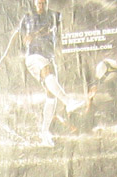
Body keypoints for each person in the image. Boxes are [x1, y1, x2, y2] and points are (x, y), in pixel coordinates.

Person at [8, 0, 85, 146]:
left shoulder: (54, 16)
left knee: (51, 94)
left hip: (48, 57)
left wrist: (35, 35)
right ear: (34, 3)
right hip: (33, 57)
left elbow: (51, 28)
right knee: (46, 70)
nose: (41, 5)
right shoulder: (27, 17)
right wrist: (6, 54)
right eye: (39, 3)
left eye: (43, 3)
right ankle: (68, 102)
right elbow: (18, 35)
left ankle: (44, 133)